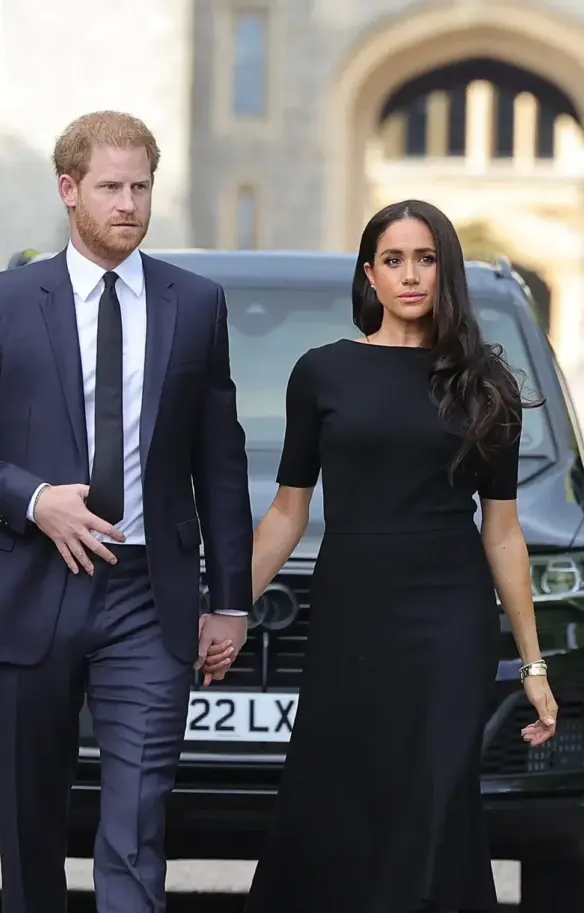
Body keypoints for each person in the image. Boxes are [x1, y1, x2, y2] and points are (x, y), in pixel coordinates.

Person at [0, 109, 252, 913]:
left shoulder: (195, 304)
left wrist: (230, 600)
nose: (129, 203)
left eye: (141, 186)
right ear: (69, 190)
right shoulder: (3, 301)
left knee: (137, 815)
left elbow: (220, 459)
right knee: (28, 817)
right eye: (111, 186)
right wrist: (35, 501)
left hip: (148, 590)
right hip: (33, 579)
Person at [240, 199, 558, 913]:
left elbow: (502, 530)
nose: (410, 275)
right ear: (370, 276)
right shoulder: (322, 373)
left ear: (445, 272)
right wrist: (229, 607)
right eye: (393, 260)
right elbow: (288, 511)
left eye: (426, 259)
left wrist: (533, 665)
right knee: (340, 790)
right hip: (353, 607)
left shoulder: (487, 384)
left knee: (437, 791)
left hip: (449, 617)